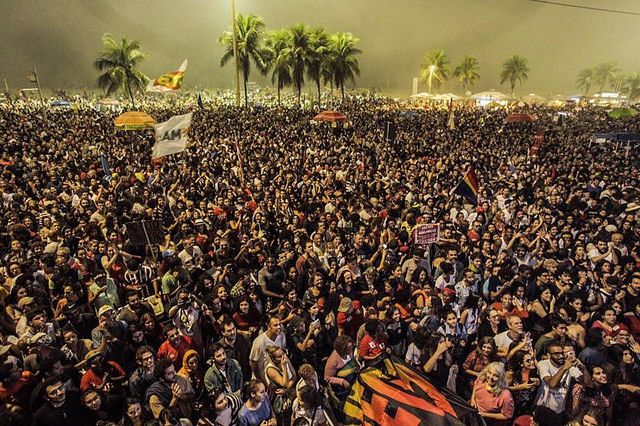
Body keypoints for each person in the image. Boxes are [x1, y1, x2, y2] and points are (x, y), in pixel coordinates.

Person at [534, 342, 591, 426]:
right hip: (542, 408)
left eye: (561, 353)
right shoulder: (544, 364)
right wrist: (564, 368)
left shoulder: (569, 366)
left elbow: (588, 383)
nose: (560, 356)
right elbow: (552, 384)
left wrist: (583, 368)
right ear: (549, 355)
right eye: (556, 354)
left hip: (558, 411)